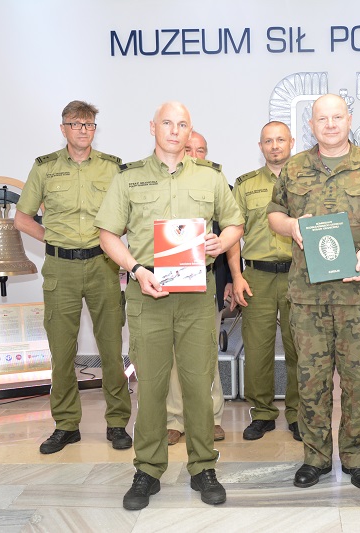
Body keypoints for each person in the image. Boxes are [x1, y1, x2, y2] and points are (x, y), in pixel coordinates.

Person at [95, 101, 244, 511]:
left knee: (198, 384)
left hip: (197, 297)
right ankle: (147, 469)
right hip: (149, 294)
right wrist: (135, 268)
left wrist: (221, 242)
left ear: (190, 130)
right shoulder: (129, 178)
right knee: (152, 387)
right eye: (167, 123)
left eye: (182, 124)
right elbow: (107, 234)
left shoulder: (211, 177)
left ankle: (203, 467)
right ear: (153, 127)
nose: (174, 130)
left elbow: (235, 222)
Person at [267, 94, 360, 490]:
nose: (330, 124)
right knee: (311, 380)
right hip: (307, 296)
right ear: (311, 125)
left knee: (359, 379)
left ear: (349, 120)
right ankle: (315, 458)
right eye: (322, 118)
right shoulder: (294, 167)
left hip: (358, 297)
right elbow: (274, 213)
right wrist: (291, 226)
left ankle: (356, 458)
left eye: (337, 117)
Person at [14, 100, 132, 455]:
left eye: (89, 124)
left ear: (95, 129)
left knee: (111, 349)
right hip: (60, 269)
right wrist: (53, 240)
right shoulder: (45, 167)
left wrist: (112, 241)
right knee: (62, 351)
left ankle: (117, 423)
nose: (83, 130)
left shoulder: (112, 167)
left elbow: (128, 215)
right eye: (76, 124)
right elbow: (22, 218)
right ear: (63, 128)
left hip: (102, 266)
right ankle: (66, 425)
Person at [226, 121, 299, 442]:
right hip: (257, 275)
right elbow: (233, 233)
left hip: (300, 275)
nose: (275, 146)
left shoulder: (306, 181)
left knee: (300, 349)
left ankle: (298, 413)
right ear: (260, 146)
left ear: (291, 142)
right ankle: (262, 414)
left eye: (280, 140)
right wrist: (237, 276)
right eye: (268, 141)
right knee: (257, 350)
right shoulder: (246, 185)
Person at [165, 130, 226, 446]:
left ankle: (211, 418)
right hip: (169, 282)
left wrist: (231, 281)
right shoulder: (165, 188)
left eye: (200, 149)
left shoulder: (219, 186)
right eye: (188, 149)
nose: (194, 154)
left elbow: (232, 238)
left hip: (209, 283)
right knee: (174, 356)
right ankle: (175, 419)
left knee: (207, 354)